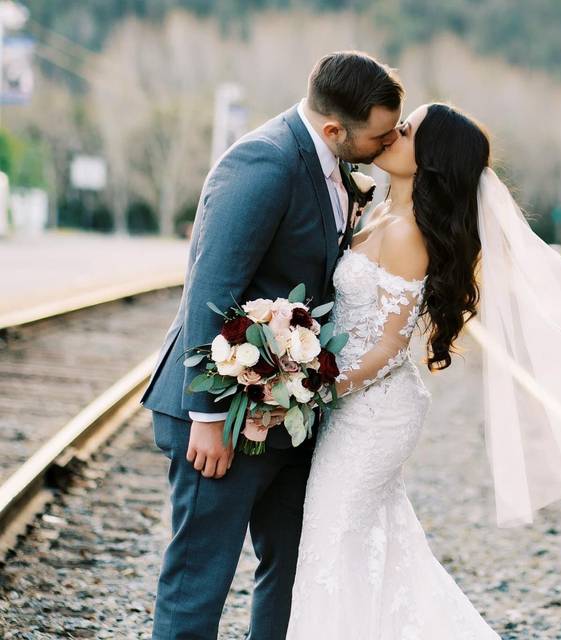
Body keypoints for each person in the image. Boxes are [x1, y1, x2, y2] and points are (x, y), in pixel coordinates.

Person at [282, 102, 561, 637]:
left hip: (373, 413)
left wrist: (315, 386)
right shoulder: (378, 208)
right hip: (352, 407)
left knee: (332, 542)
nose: (391, 134)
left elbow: (388, 344)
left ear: (428, 160)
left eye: (405, 131)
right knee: (360, 545)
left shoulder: (408, 234)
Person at [139, 51, 404, 640]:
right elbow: (212, 287)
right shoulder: (264, 161)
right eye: (380, 134)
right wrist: (207, 416)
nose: (389, 144)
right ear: (336, 130)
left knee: (290, 577)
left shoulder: (335, 165)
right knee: (199, 579)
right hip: (222, 415)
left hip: (290, 415)